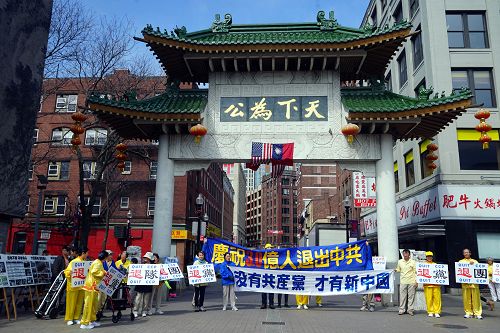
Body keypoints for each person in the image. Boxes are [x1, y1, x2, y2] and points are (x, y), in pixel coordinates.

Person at [79, 250, 107, 330]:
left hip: (94, 286)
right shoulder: (98, 263)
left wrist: (102, 272)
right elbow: (94, 272)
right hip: (91, 286)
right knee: (88, 305)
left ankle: (91, 320)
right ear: (104, 257)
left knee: (93, 304)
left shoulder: (98, 262)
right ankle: (84, 322)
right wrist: (103, 273)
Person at [63, 247, 88, 326]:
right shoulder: (74, 262)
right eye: (87, 253)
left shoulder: (85, 262)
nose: (88, 255)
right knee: (71, 303)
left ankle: (76, 317)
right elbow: (66, 271)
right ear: (83, 253)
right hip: (73, 287)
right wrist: (69, 273)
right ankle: (70, 318)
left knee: (79, 303)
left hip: (81, 286)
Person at [460, 249, 482, 319]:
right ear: (463, 254)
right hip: (465, 283)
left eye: (467, 252)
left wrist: (474, 264)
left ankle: (477, 313)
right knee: (466, 298)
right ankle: (468, 312)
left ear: (470, 253)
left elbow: (479, 270)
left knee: (476, 298)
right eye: (465, 253)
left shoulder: (475, 261)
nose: (466, 254)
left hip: (474, 283)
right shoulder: (461, 262)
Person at [395, 249, 417, 316]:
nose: (405, 255)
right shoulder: (400, 262)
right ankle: (401, 310)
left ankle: (410, 310)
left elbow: (416, 272)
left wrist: (416, 281)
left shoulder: (413, 262)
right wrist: (394, 270)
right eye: (404, 253)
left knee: (411, 297)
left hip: (411, 281)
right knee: (402, 296)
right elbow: (398, 269)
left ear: (409, 254)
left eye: (406, 253)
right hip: (403, 281)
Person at [133, 252, 154, 318]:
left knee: (146, 299)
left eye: (146, 258)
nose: (145, 259)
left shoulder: (153, 266)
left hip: (148, 284)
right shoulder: (140, 265)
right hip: (140, 283)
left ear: (149, 259)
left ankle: (144, 311)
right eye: (144, 257)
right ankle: (135, 310)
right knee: (138, 298)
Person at [423, 251, 441, 318]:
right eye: (428, 256)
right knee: (429, 298)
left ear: (432, 257)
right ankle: (430, 311)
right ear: (426, 257)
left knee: (437, 298)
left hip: (436, 285)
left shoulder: (436, 264)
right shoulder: (423, 265)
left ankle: (437, 311)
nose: (429, 257)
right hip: (427, 285)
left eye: (430, 256)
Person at [261, 244, 275, 309]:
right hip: (263, 275)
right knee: (263, 291)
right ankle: (264, 304)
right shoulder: (262, 256)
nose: (270, 248)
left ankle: (271, 304)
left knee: (271, 291)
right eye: (268, 247)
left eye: (270, 247)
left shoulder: (274, 256)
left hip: (271, 275)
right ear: (265, 249)